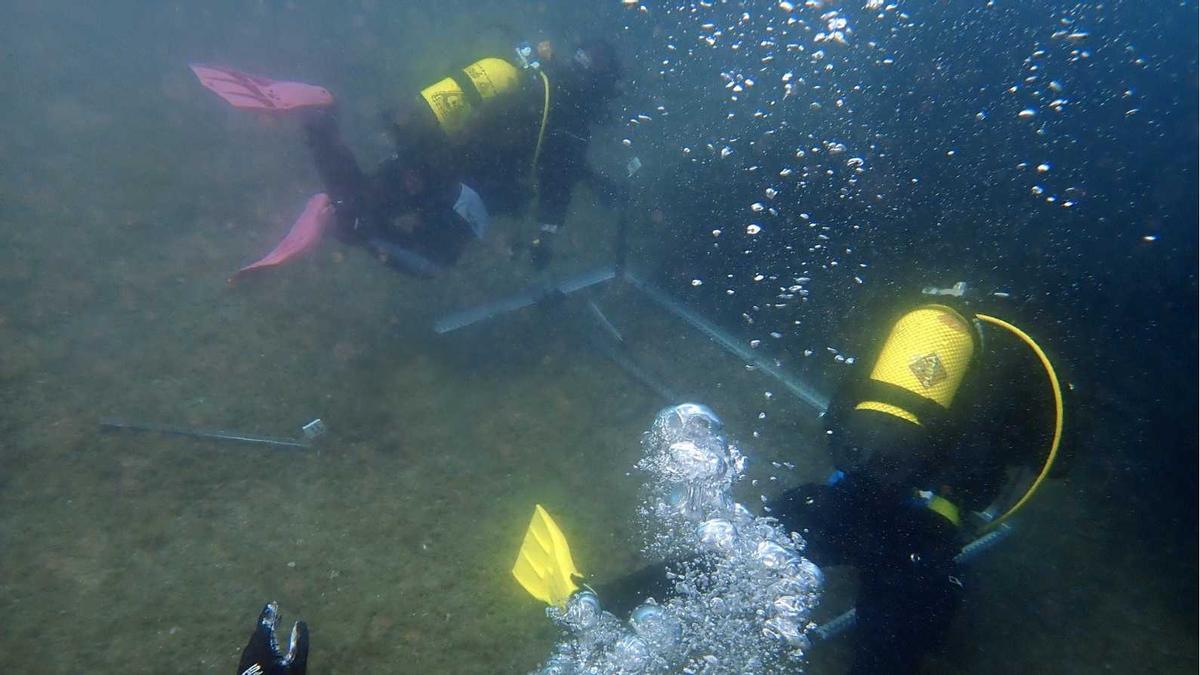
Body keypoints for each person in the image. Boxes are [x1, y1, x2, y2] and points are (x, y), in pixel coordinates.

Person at [590, 284, 1071, 673]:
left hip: (849, 492)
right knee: (894, 638)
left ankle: (603, 601)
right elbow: (1055, 459)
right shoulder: (1021, 364)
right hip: (929, 527)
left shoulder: (902, 332)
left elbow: (838, 420)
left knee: (743, 552)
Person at [298, 38, 622, 277]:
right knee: (431, 261)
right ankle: (341, 220)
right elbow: (558, 184)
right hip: (463, 187)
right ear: (599, 88)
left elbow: (558, 159)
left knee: (364, 198)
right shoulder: (574, 123)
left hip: (429, 146)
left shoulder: (534, 79)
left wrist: (593, 180)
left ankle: (321, 119)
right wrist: (545, 240)